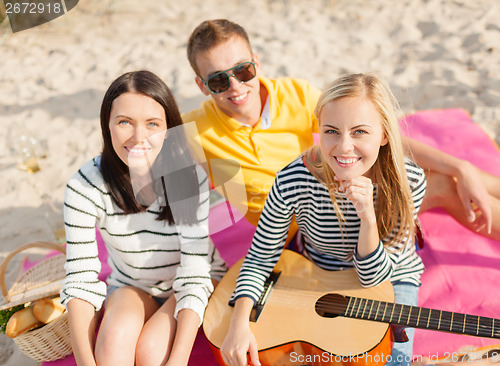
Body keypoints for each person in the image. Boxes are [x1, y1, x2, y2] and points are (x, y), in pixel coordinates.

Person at [182, 19, 500, 241]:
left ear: (256, 62)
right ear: (201, 85)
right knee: (443, 186)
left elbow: (372, 135)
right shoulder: (192, 129)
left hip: (338, 188)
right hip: (307, 227)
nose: (236, 87)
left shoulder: (295, 94)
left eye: (242, 70)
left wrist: (462, 166)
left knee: (451, 173)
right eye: (219, 80)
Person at [221, 73, 427, 366]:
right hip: (318, 273)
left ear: (383, 134)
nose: (343, 147)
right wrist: (239, 322)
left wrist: (367, 216)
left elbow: (373, 279)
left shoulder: (410, 182)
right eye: (331, 131)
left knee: (393, 361)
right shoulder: (293, 179)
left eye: (359, 132)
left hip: (391, 277)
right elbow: (260, 258)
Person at [61, 70, 226, 366]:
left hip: (193, 280)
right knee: (113, 344)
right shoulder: (84, 185)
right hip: (131, 284)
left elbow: (194, 273)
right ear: (107, 125)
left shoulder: (186, 176)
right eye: (125, 122)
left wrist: (177, 361)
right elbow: (80, 280)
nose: (139, 137)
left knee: (151, 351)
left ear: (168, 128)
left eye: (152, 124)